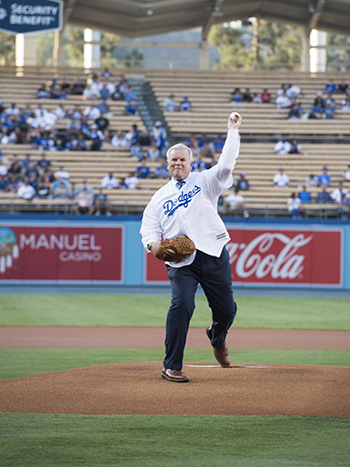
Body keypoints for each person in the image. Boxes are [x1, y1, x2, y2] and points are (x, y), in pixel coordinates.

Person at [140, 113, 242, 383]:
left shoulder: (205, 181)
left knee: (227, 311)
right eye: (173, 160)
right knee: (181, 305)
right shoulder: (159, 198)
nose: (178, 163)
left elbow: (226, 163)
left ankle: (217, 336)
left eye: (182, 159)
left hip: (213, 254)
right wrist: (154, 246)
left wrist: (232, 131)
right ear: (167, 164)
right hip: (181, 263)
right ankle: (170, 365)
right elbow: (147, 229)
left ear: (190, 162)